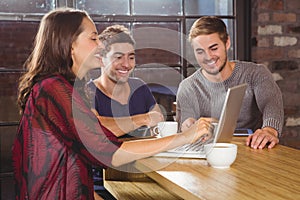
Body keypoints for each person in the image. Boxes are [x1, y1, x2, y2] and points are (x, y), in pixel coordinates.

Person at [13, 8, 214, 200]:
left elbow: (75, 169)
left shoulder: (65, 89)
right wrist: (184, 137)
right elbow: (110, 151)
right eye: (93, 38)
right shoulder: (53, 89)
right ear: (70, 45)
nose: (100, 45)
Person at [176, 16, 284, 150]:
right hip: (209, 153)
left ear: (227, 43)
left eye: (213, 48)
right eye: (200, 51)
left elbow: (271, 103)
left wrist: (269, 130)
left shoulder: (255, 73)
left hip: (253, 149)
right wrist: (188, 126)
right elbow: (185, 125)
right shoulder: (187, 87)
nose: (208, 57)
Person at [86, 24, 164, 197]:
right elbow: (98, 131)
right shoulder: (89, 92)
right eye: (118, 57)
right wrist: (143, 119)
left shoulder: (140, 87)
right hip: (105, 183)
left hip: (146, 176)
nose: (126, 65)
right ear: (101, 59)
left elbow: (158, 123)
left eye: (131, 57)